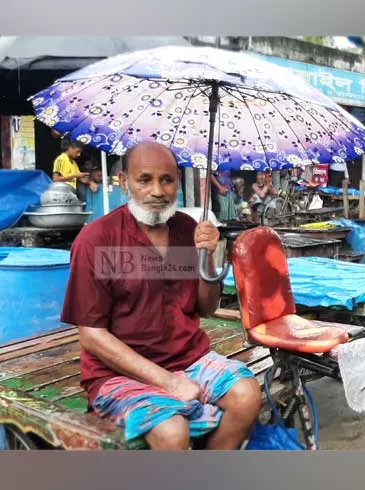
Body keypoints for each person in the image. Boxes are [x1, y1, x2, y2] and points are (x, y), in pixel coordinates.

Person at [60, 141, 261, 450]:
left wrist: (207, 256)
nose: (157, 191)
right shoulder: (98, 239)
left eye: (166, 180)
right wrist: (168, 382)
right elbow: (91, 335)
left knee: (247, 395)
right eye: (145, 180)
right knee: (171, 431)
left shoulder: (185, 229)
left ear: (176, 184)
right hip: (119, 373)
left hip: (188, 356)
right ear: (125, 182)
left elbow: (205, 308)